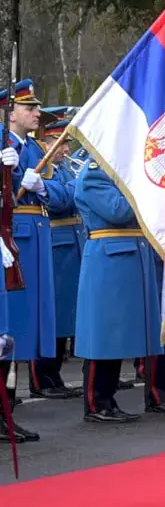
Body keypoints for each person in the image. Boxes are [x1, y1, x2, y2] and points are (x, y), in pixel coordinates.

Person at [0, 81, 72, 440]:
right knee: (9, 328)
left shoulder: (37, 150)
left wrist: (42, 187)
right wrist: (7, 173)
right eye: (29, 108)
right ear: (10, 114)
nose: (36, 113)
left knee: (24, 330)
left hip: (36, 238)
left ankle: (7, 412)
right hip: (15, 238)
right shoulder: (4, 147)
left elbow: (65, 197)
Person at [75, 161, 160, 424]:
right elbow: (118, 211)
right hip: (108, 258)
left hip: (132, 255)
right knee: (102, 335)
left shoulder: (117, 170)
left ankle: (108, 399)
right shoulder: (94, 173)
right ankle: (96, 403)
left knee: (119, 336)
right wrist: (151, 190)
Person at [28, 114, 86, 398]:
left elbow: (74, 193)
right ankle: (41, 378)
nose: (65, 149)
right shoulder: (44, 167)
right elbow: (63, 200)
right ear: (45, 142)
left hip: (73, 245)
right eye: (59, 142)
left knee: (66, 315)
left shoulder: (64, 168)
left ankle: (54, 376)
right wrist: (66, 192)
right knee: (52, 314)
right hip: (56, 246)